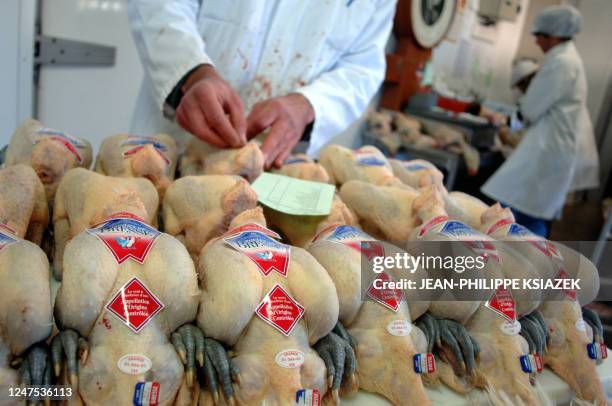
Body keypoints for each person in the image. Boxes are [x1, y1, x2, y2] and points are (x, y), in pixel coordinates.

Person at [127, 1, 397, 168]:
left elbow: (363, 66)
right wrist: (190, 73)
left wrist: (309, 104)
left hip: (276, 163)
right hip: (170, 148)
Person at [481, 5, 599, 238]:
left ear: (553, 36)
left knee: (525, 216)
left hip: (547, 154)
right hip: (549, 152)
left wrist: (504, 121)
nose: (536, 42)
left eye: (539, 36)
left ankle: (529, 266)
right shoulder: (566, 59)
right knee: (523, 212)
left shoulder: (561, 63)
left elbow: (530, 110)